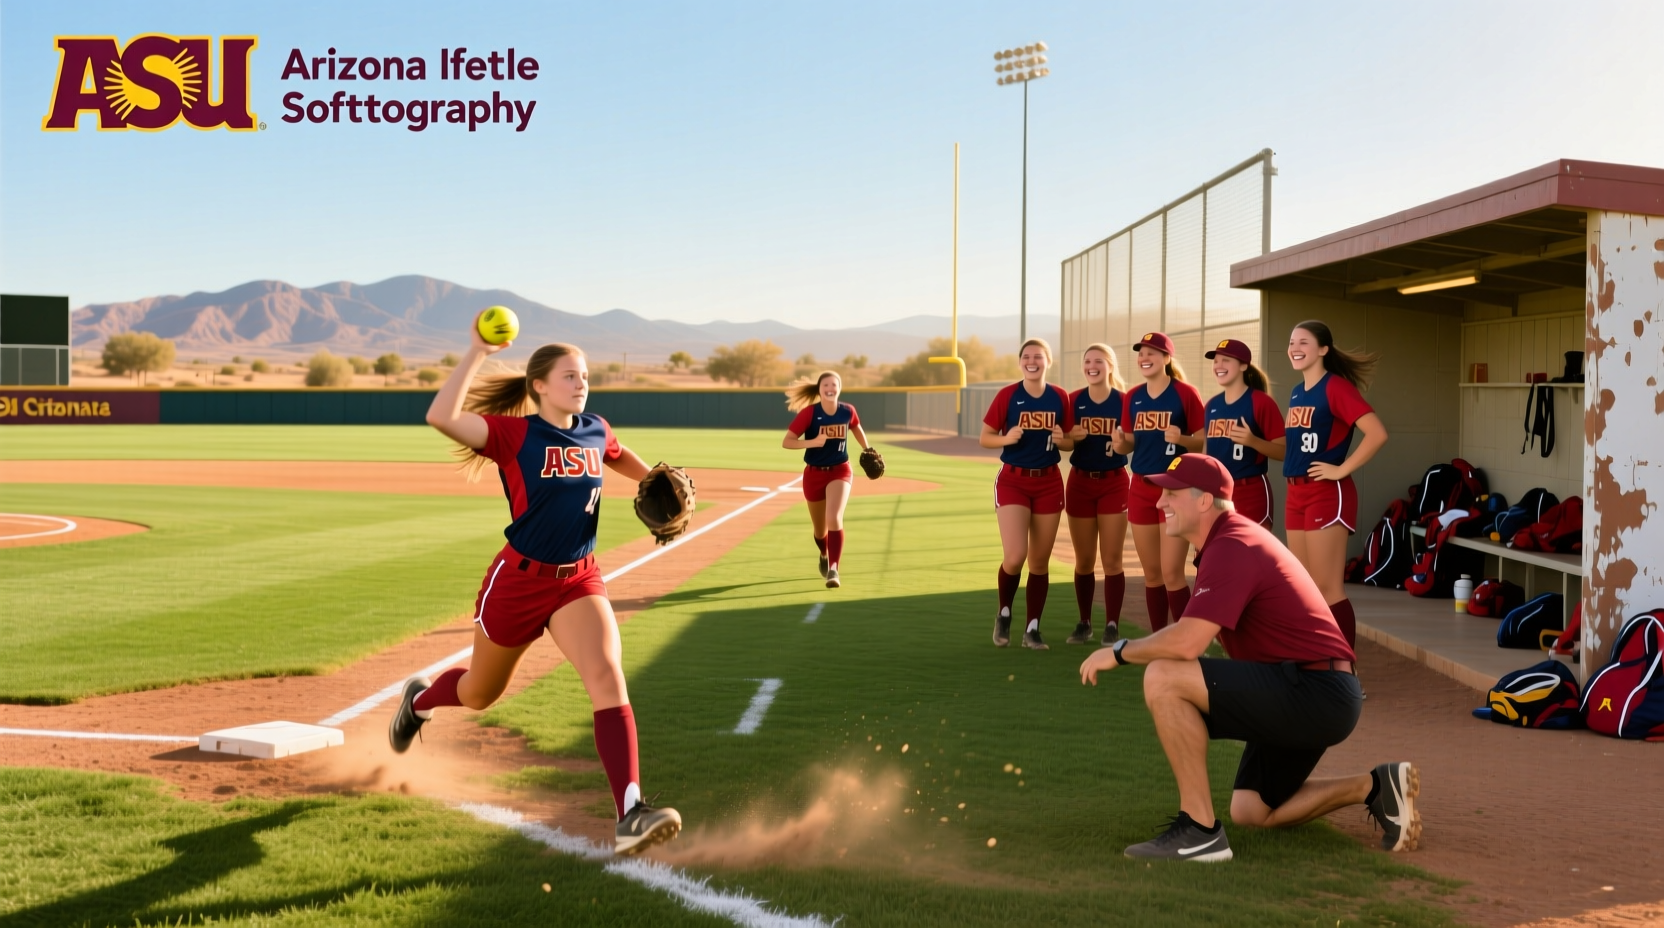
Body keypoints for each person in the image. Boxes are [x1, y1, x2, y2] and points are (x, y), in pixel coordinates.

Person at [388, 316, 682, 856]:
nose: (581, 384)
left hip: (578, 580)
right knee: (480, 692)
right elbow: (440, 416)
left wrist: (654, 482)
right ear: (539, 387)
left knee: (606, 675)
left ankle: (630, 814)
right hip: (518, 583)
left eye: (585, 375)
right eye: (569, 376)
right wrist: (476, 350)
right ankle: (420, 700)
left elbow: (624, 462)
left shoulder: (597, 428)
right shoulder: (513, 435)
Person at [1079, 454, 1420, 862]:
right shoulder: (1227, 541)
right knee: (1251, 810)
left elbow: (1188, 643)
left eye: (1171, 494)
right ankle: (1374, 787)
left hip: (1315, 691)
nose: (1159, 504)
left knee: (1163, 677)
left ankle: (1199, 831)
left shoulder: (1232, 544)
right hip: (1312, 688)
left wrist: (1119, 652)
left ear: (1204, 501)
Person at [1283, 321, 1388, 647]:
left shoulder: (1336, 387)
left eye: (1303, 342)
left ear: (1323, 350)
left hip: (1326, 493)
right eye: (1291, 342)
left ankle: (1345, 674)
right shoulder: (1297, 391)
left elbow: (1377, 433)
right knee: (1305, 587)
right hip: (1295, 492)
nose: (1295, 348)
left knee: (1328, 588)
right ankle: (1316, 665)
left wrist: (1342, 469)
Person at [979, 338, 1074, 650]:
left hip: (1048, 482)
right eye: (1026, 357)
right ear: (1020, 362)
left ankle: (1032, 628)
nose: (1032, 361)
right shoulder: (1008, 394)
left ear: (1048, 361)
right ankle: (1004, 613)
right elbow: (985, 438)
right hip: (1013, 481)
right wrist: (1006, 437)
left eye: (1038, 356)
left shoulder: (1059, 396)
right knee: (1016, 555)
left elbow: (1069, 442)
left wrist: (1063, 439)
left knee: (1040, 562)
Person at [1113, 332, 1205, 631]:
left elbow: (1202, 441)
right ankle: (1159, 638)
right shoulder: (1133, 396)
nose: (1145, 358)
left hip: (1176, 489)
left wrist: (1183, 439)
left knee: (1172, 572)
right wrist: (1119, 445)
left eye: (1152, 353)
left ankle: (1187, 639)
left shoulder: (1185, 393)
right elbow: (1129, 444)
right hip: (1140, 487)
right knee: (1151, 573)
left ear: (1167, 358)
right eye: (1141, 353)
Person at [1063, 343, 1131, 646]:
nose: (1092, 366)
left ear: (1111, 366)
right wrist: (1068, 438)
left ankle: (1112, 624)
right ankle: (1085, 622)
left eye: (1099, 361)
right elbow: (1061, 442)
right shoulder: (1072, 400)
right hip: (1079, 482)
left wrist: (1123, 443)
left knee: (1112, 559)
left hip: (1114, 482)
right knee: (1084, 560)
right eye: (1087, 361)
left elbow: (1133, 443)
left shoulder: (1125, 401)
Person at [782, 370, 872, 589]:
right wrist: (813, 442)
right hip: (813, 474)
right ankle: (823, 552)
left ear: (839, 388)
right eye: (826, 386)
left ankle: (834, 569)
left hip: (840, 471)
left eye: (834, 385)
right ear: (820, 390)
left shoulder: (847, 411)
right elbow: (788, 441)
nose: (830, 389)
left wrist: (868, 449)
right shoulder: (809, 414)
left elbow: (856, 428)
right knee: (820, 530)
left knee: (834, 517)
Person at [1201, 339, 1285, 528]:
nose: (1218, 365)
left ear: (1243, 366)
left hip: (1251, 491)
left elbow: (1285, 451)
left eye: (1226, 360)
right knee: (1213, 554)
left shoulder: (1261, 402)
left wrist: (1253, 441)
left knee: (1249, 555)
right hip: (1216, 492)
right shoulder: (1212, 405)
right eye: (1216, 361)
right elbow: (1207, 453)